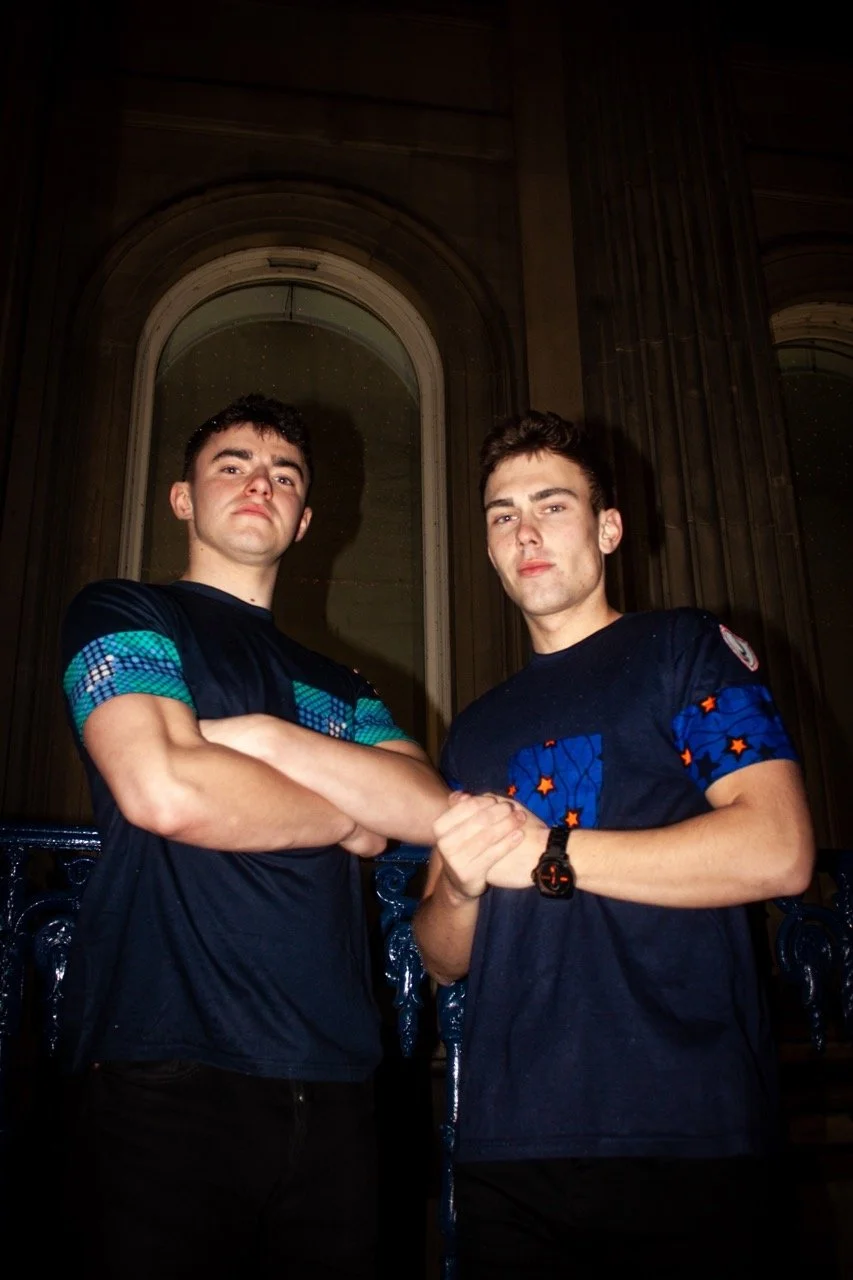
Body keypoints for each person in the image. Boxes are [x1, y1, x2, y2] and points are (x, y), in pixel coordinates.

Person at [413, 410, 815, 1278]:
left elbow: (778, 847)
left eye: (551, 506)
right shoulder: (475, 728)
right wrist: (462, 892)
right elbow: (442, 959)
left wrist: (551, 854)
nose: (524, 532)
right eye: (501, 515)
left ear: (608, 529)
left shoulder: (683, 650)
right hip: (509, 1143)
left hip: (686, 1130)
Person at [59, 393, 449, 1280]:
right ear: (183, 498)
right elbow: (164, 788)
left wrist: (264, 740)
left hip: (339, 1077)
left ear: (304, 519)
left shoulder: (340, 683)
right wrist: (349, 815)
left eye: (283, 475)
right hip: (162, 1064)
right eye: (230, 466)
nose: (258, 483)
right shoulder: (125, 613)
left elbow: (428, 808)